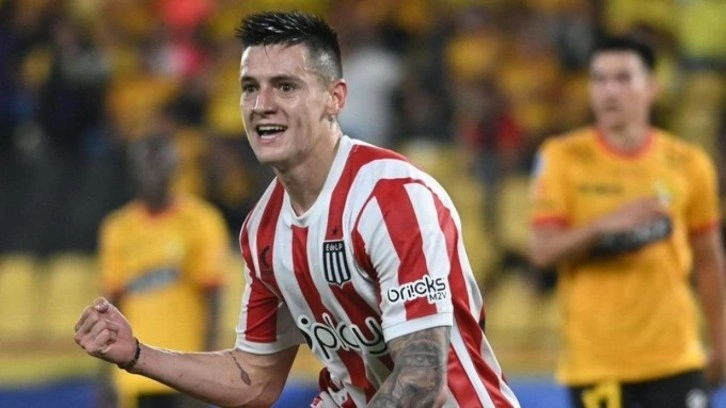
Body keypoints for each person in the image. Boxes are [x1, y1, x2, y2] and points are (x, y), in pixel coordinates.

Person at [75, 10, 520, 408]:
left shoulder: (391, 198)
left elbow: (422, 382)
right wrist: (137, 354)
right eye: (250, 88)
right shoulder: (262, 231)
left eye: (285, 86)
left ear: (335, 98)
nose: (262, 105)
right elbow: (254, 379)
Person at [528, 36, 726, 408]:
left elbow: (709, 259)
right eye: (599, 79)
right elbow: (542, 251)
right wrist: (606, 224)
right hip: (597, 366)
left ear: (652, 87)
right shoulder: (562, 158)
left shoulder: (689, 163)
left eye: (622, 78)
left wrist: (721, 342)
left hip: (675, 359)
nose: (609, 91)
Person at [98, 132, 230, 408]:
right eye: (146, 165)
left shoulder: (202, 222)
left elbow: (214, 299)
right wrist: (104, 375)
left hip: (184, 369)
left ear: (174, 168)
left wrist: (207, 372)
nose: (153, 174)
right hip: (133, 373)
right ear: (134, 170)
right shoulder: (118, 228)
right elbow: (111, 304)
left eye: (160, 164)